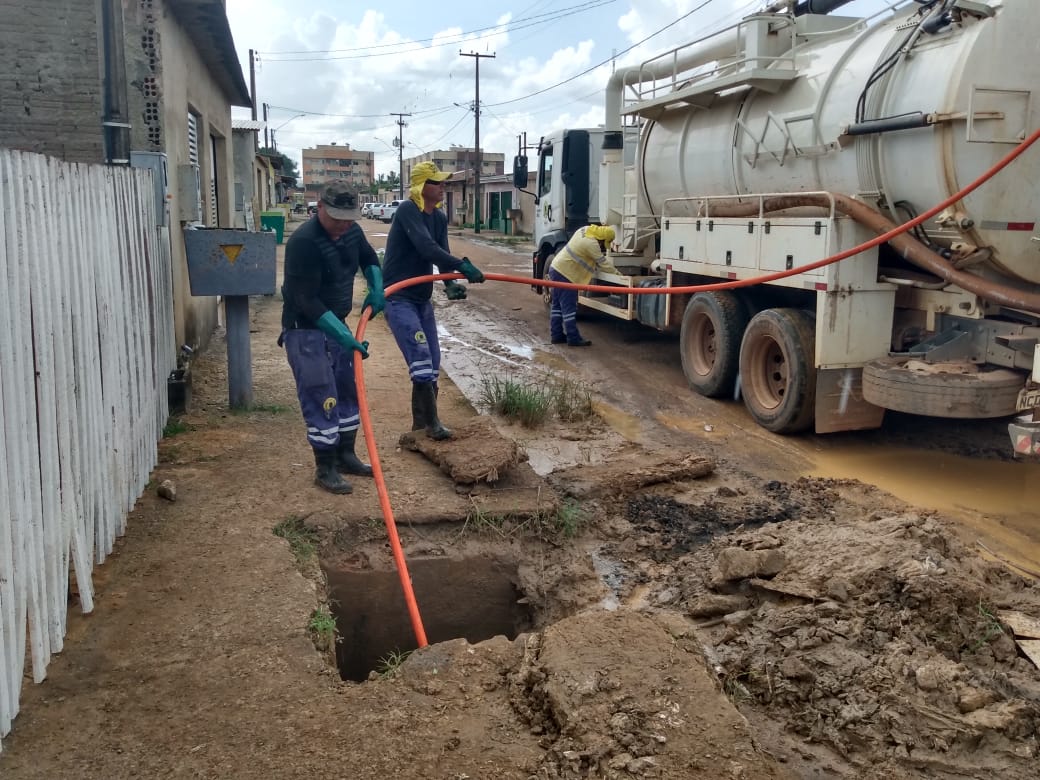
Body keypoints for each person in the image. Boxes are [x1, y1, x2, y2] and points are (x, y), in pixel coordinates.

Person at [280, 182, 385, 494]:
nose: (343, 224)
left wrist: (376, 288)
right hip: (306, 331)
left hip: (336, 324)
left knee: (347, 389)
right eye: (337, 217)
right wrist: (344, 336)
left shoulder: (352, 232)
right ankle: (325, 466)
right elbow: (306, 300)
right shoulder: (304, 243)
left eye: (349, 218)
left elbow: (369, 259)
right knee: (321, 393)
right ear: (320, 206)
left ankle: (345, 455)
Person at [382, 161, 486, 440]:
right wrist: (462, 265)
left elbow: (441, 251)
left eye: (442, 183)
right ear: (421, 186)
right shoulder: (407, 210)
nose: (442, 187)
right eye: (437, 183)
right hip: (397, 297)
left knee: (433, 361)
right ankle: (431, 425)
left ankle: (421, 428)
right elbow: (425, 247)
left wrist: (450, 282)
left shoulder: (438, 218)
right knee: (420, 358)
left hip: (421, 298)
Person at [548, 224, 618, 347]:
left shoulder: (584, 230)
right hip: (566, 274)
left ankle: (556, 335)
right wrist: (619, 275)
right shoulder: (592, 244)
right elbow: (603, 264)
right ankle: (573, 338)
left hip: (556, 268)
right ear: (601, 239)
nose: (602, 247)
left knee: (557, 306)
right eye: (603, 244)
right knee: (569, 308)